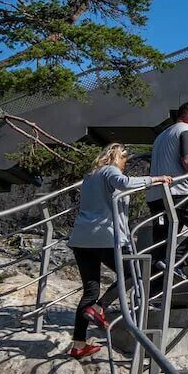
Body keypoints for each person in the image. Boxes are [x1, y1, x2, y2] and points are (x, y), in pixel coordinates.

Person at [65, 143, 173, 359]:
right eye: (124, 159)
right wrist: (156, 179)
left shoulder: (91, 175)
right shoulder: (110, 171)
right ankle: (100, 307)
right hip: (104, 237)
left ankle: (78, 345)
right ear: (118, 157)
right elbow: (124, 183)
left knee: (90, 291)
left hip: (81, 239)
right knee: (134, 274)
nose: (125, 163)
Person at [146, 101, 188, 293]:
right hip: (179, 193)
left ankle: (152, 297)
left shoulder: (162, 136)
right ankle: (176, 262)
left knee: (161, 246)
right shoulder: (187, 130)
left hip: (156, 197)